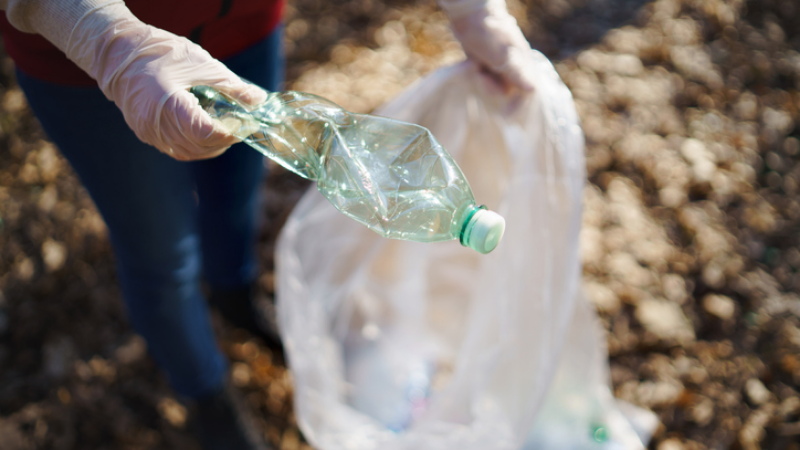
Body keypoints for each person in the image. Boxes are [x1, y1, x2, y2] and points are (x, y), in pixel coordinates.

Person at [0, 0, 536, 448]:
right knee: (161, 251)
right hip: (82, 61)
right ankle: (205, 392)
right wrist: (108, 41)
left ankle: (235, 294)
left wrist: (474, 11)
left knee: (236, 196)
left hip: (246, 22)